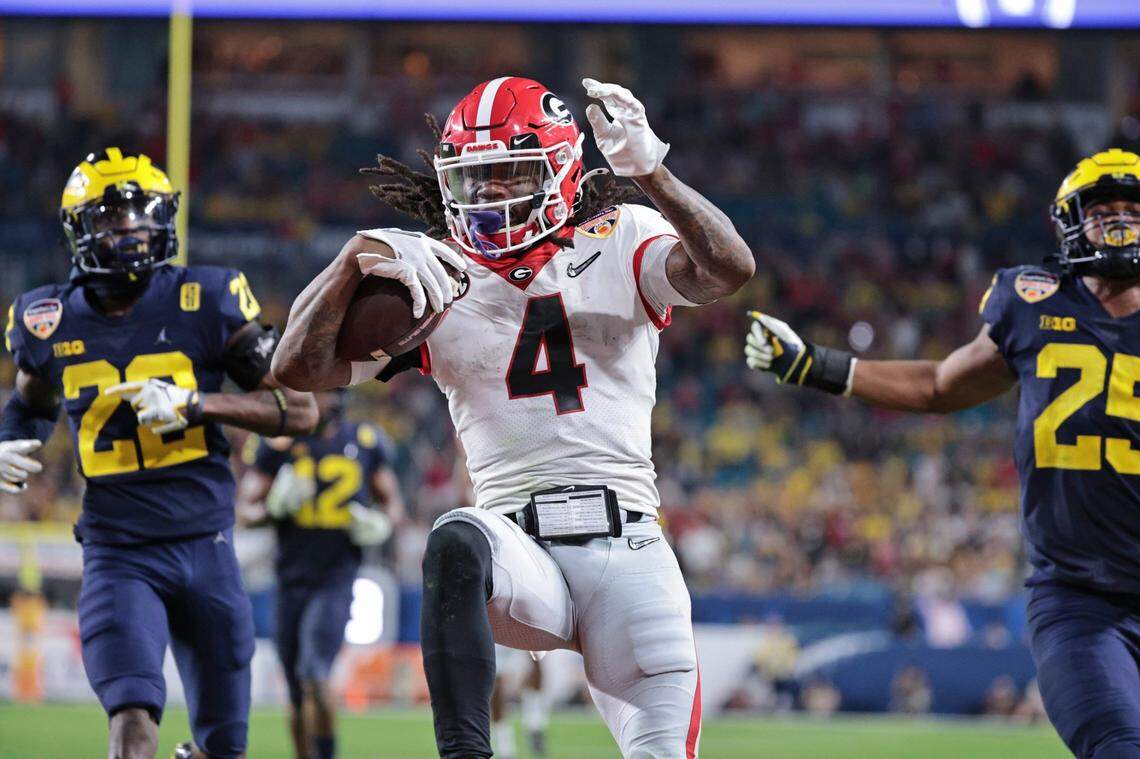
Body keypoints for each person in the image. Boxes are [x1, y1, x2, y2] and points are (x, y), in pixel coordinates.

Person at [272, 76, 755, 757]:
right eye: (476, 178)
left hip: (627, 547)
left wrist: (654, 174)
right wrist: (352, 261)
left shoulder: (621, 238)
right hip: (518, 552)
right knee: (456, 539)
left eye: (509, 174)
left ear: (559, 170)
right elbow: (295, 368)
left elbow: (730, 268)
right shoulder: (437, 276)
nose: (491, 194)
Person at [744, 147, 1140, 759]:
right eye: (1103, 210)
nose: (1118, 224)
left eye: (1132, 211)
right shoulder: (1035, 301)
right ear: (1070, 223)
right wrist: (814, 365)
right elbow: (939, 386)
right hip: (1082, 599)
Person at [0, 148, 318, 759]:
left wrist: (196, 404)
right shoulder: (48, 319)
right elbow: (30, 404)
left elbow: (299, 411)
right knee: (131, 722)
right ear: (81, 229)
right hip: (118, 554)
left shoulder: (208, 298)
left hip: (209, 548)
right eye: (112, 219)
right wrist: (12, 438)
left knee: (225, 747)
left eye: (140, 216)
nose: (130, 230)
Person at [237, 389, 403, 759]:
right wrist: (272, 507)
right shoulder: (279, 444)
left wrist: (380, 522)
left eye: (329, 392)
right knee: (296, 693)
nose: (323, 400)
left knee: (315, 673)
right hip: (290, 579)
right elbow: (245, 512)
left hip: (337, 577)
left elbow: (393, 504)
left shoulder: (365, 440)